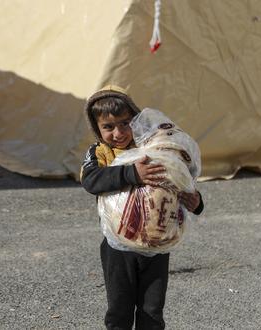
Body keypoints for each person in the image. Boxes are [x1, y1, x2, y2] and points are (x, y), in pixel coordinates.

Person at [80, 85, 204, 329]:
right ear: (97, 128)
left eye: (125, 123)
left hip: (157, 245)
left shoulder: (153, 147)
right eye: (108, 126)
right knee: (120, 310)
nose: (118, 133)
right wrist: (131, 172)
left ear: (136, 121)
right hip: (119, 247)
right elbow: (91, 180)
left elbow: (177, 181)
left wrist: (196, 202)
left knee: (152, 311)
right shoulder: (100, 152)